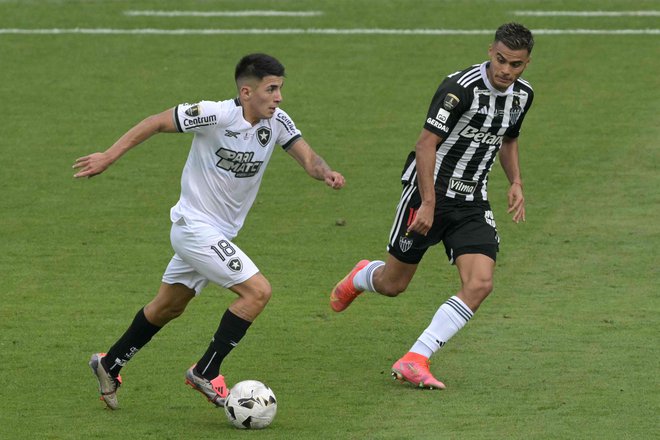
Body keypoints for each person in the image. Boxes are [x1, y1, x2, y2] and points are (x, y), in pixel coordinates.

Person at [74, 53, 345, 410]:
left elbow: (308, 158)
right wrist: (109, 156)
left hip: (217, 235)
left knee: (168, 307)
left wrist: (325, 173)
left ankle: (110, 363)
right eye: (272, 89)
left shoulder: (276, 121)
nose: (278, 97)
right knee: (257, 293)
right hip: (194, 228)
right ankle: (205, 370)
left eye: (280, 88)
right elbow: (156, 122)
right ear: (247, 92)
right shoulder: (215, 114)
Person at [330, 23, 534, 390]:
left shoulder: (522, 96)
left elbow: (509, 139)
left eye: (515, 65)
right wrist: (427, 203)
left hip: (472, 201)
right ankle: (362, 275)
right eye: (501, 60)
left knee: (481, 283)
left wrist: (516, 181)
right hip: (429, 194)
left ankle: (415, 357)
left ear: (526, 64)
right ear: (490, 51)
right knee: (393, 285)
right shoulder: (459, 89)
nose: (506, 71)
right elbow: (426, 145)